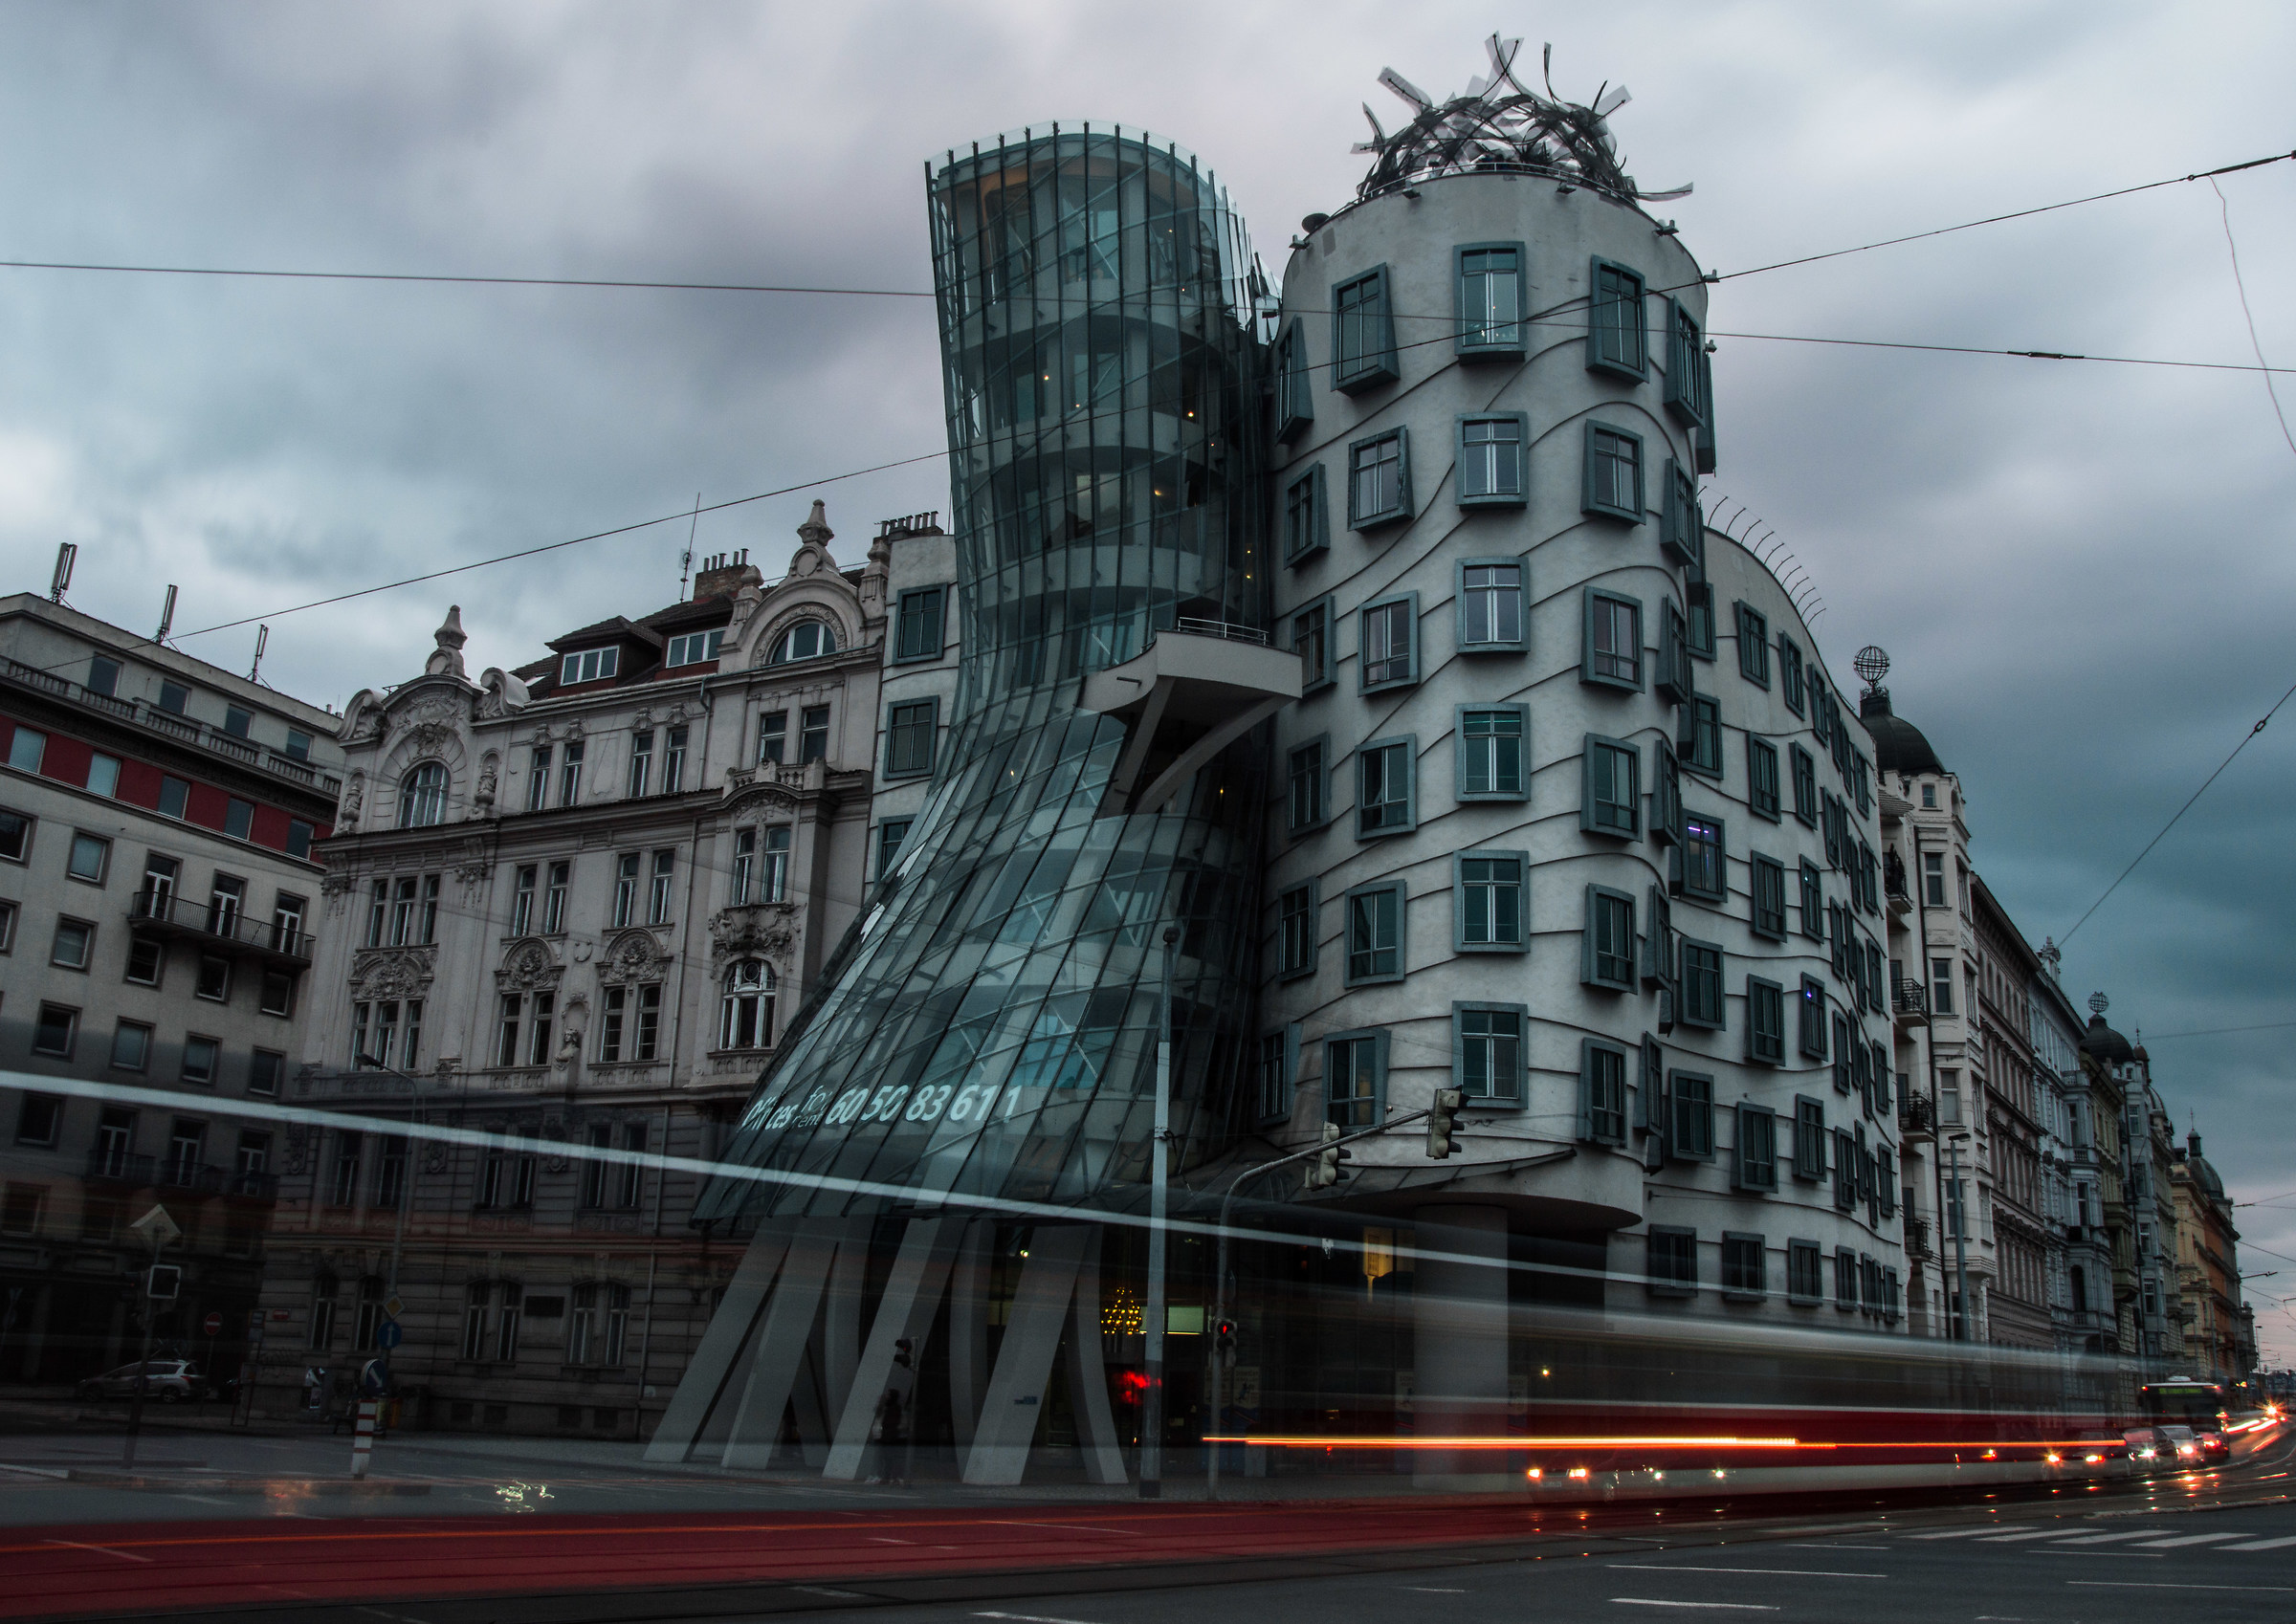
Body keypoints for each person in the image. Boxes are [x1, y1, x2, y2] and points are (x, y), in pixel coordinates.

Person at [867, 1339, 916, 1486]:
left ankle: (889, 1477)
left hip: (888, 1437)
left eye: (888, 1395)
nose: (886, 1397)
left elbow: (891, 1422)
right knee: (884, 1458)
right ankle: (886, 1476)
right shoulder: (886, 1407)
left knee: (889, 1457)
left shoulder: (893, 1409)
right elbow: (878, 1416)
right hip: (884, 1436)